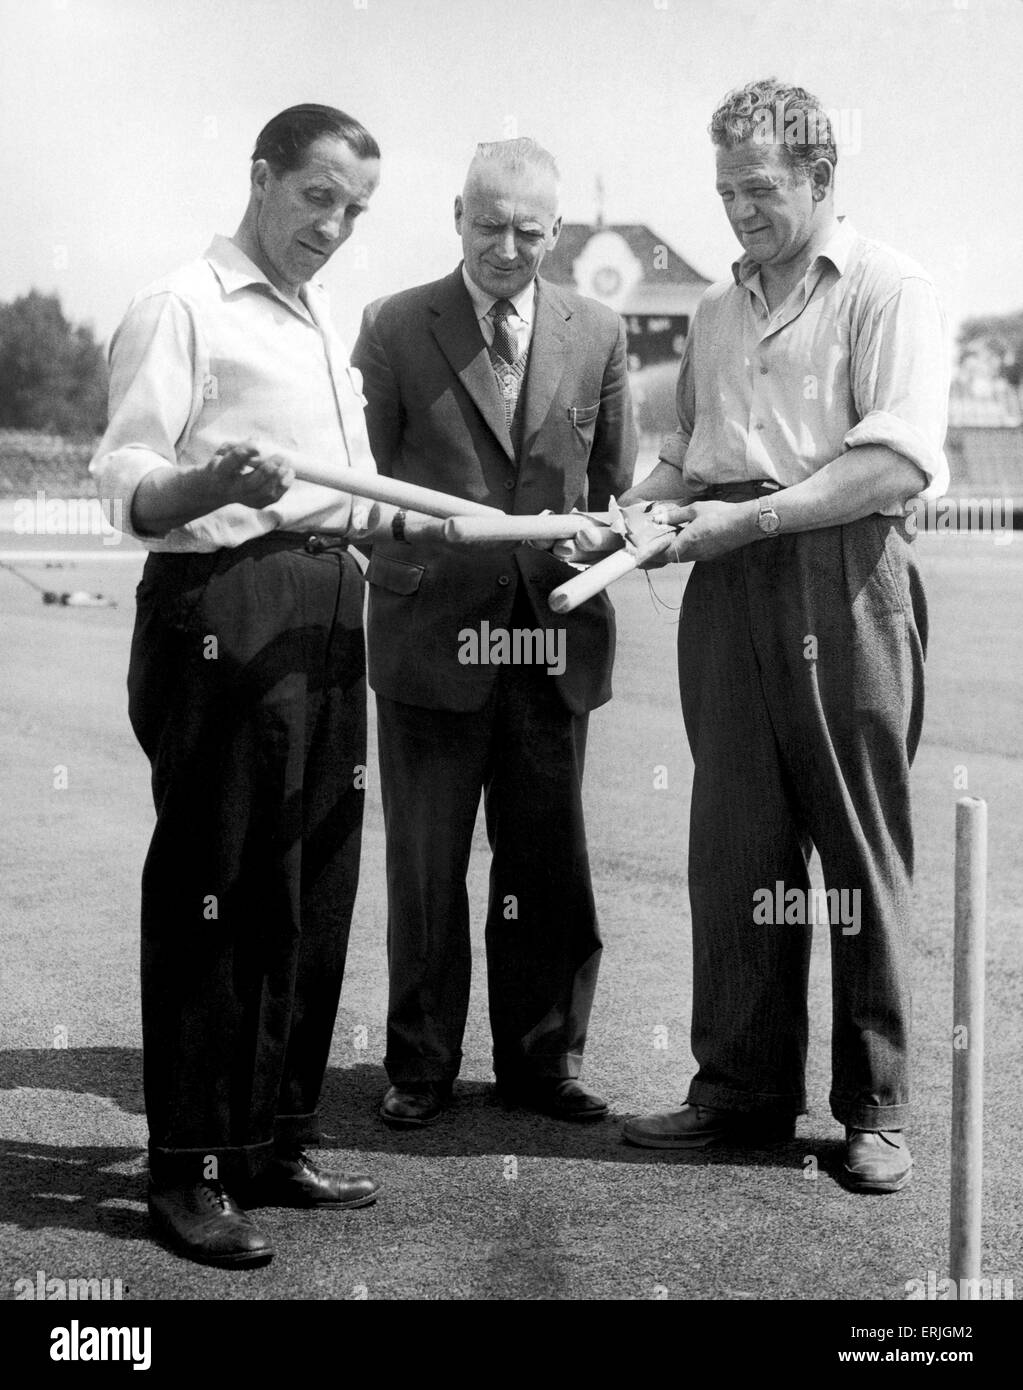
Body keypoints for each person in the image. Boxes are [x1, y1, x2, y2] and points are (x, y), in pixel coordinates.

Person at [619, 79, 949, 1193]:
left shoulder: (888, 286)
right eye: (725, 191)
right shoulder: (714, 314)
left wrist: (745, 517)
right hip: (728, 583)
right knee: (737, 849)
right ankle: (743, 1092)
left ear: (820, 177)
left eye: (761, 188)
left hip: (842, 571)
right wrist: (632, 515)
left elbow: (891, 464)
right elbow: (690, 457)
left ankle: (875, 1106)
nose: (741, 211)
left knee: (857, 849)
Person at [90, 104, 387, 1267]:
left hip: (329, 608)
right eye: (318, 196)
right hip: (219, 606)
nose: (335, 226)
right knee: (213, 888)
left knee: (309, 883)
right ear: (262, 178)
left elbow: (357, 493)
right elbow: (128, 478)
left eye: (356, 210)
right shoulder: (182, 304)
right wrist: (207, 476)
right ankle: (192, 1171)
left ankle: (271, 1137)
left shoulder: (322, 318)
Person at [352, 137, 636, 1128]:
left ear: (557, 231)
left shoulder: (599, 330)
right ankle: (421, 1065)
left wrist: (606, 533)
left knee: (546, 862)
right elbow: (360, 490)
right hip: (431, 640)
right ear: (456, 216)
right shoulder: (392, 325)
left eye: (528, 230)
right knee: (426, 868)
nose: (507, 246)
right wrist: (415, 557)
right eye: (489, 224)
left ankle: (541, 1062)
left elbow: (617, 490)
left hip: (551, 639)